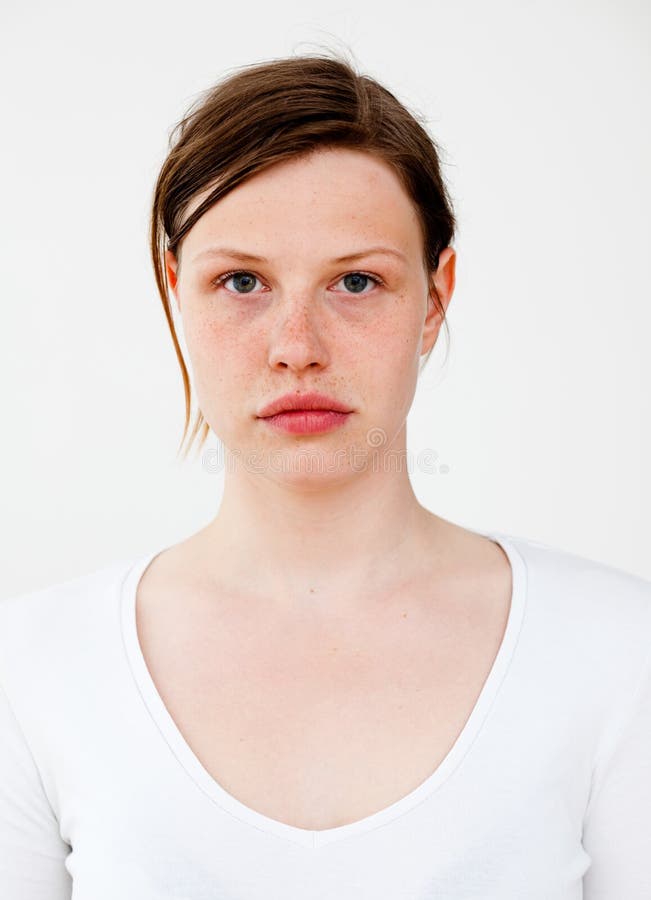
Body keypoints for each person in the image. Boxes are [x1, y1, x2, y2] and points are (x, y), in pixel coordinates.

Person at [1, 51, 650, 900]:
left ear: (434, 296)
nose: (296, 345)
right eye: (241, 282)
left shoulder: (616, 649)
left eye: (356, 281)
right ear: (174, 291)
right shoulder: (32, 667)